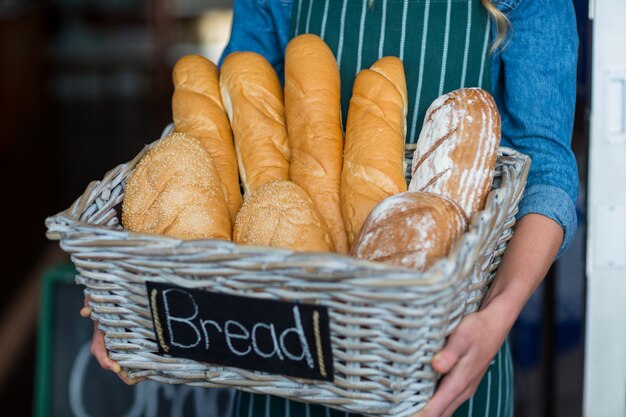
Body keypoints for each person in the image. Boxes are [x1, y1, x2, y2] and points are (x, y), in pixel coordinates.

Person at [84, 0, 579, 416]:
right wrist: (136, 296)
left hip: (441, 355)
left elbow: (546, 173)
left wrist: (500, 312)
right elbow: (234, 128)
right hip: (276, 349)